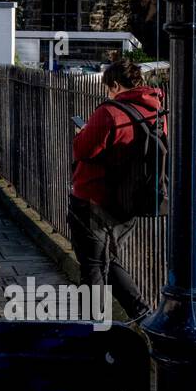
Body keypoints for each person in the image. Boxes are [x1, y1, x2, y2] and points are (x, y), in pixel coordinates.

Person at [70, 57, 163, 322]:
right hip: (129, 201)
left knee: (93, 267)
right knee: (108, 259)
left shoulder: (110, 111)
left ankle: (94, 329)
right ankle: (143, 316)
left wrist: (85, 131)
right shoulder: (156, 111)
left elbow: (83, 149)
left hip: (94, 199)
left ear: (114, 85)